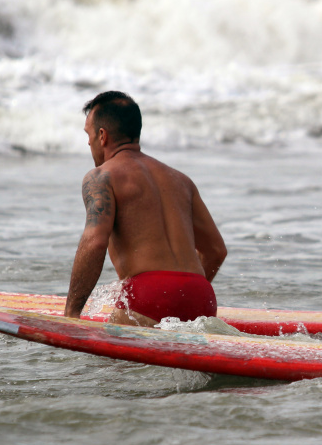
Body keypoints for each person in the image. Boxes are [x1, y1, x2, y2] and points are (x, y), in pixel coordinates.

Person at [64, 91, 227, 327]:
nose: (88, 142)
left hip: (148, 296)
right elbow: (216, 250)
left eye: (88, 134)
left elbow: (95, 242)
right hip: (200, 295)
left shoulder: (101, 176)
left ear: (102, 136)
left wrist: (71, 314)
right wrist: (184, 294)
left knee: (108, 352)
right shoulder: (181, 180)